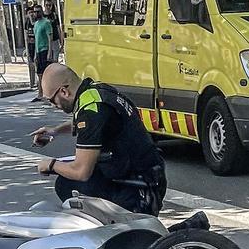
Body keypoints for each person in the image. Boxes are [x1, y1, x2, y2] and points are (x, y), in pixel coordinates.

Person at [31, 63, 166, 215]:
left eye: (52, 100)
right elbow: (91, 125)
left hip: (139, 189)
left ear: (64, 91)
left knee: (66, 184)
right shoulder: (96, 92)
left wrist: (51, 165)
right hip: (147, 175)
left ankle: (111, 230)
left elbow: (81, 171)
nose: (53, 105)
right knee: (75, 179)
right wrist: (55, 131)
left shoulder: (91, 111)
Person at [32, 5, 52, 93]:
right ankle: (40, 92)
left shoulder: (46, 23)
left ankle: (47, 92)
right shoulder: (36, 24)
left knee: (45, 73)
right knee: (39, 73)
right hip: (38, 50)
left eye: (38, 12)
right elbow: (36, 39)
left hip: (45, 49)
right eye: (35, 12)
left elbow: (49, 38)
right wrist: (35, 54)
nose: (36, 13)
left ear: (41, 12)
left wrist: (49, 52)